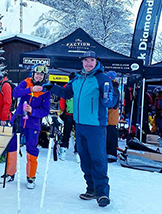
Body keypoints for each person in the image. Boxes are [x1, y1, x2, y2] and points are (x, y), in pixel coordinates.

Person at [50, 51, 118, 207]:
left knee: (98, 159)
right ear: (82, 63)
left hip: (96, 127)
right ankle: (91, 188)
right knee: (85, 160)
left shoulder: (102, 79)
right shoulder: (78, 79)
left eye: (91, 60)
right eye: (86, 60)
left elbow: (112, 101)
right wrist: (51, 87)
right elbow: (67, 94)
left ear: (96, 62)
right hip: (79, 125)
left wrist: (110, 96)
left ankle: (102, 193)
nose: (88, 63)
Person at [0, 64, 51, 190]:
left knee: (31, 148)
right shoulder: (25, 83)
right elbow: (15, 93)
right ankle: (9, 173)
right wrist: (31, 90)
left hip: (33, 123)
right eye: (37, 74)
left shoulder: (46, 90)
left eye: (41, 75)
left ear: (44, 76)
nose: (39, 76)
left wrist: (33, 110)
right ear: (33, 74)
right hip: (18, 120)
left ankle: (31, 176)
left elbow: (45, 111)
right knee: (11, 147)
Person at [58, 72, 78, 162]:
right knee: (78, 135)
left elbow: (62, 100)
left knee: (66, 133)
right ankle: (78, 153)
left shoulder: (66, 87)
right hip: (78, 116)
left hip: (68, 114)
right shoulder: (79, 86)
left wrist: (63, 110)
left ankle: (63, 151)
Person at [106, 71, 120, 163]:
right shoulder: (114, 88)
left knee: (110, 136)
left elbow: (111, 103)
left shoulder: (113, 89)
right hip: (110, 117)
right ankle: (109, 154)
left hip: (110, 117)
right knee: (110, 135)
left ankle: (111, 155)